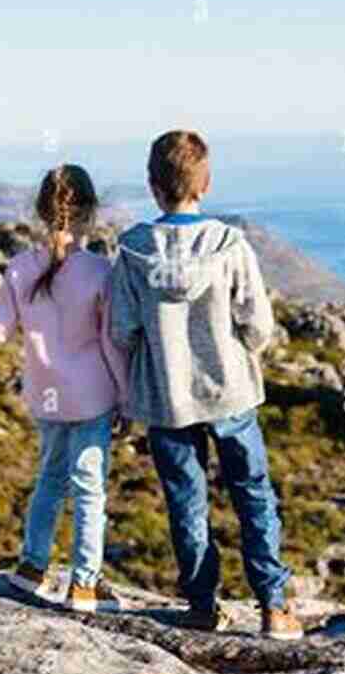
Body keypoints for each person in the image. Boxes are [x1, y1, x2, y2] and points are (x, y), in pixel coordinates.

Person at [107, 130, 302, 639]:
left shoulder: (131, 250)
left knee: (185, 498)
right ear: (206, 184)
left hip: (167, 399)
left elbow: (122, 331)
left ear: (153, 186)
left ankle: (200, 603)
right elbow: (258, 324)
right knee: (253, 491)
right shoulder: (229, 244)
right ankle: (274, 606)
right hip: (231, 392)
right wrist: (240, 349)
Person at [0, 164, 129, 613]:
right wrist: (126, 396)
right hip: (92, 396)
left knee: (49, 479)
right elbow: (111, 341)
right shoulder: (99, 271)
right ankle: (84, 584)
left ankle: (31, 567)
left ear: (40, 212)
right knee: (89, 489)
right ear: (89, 213)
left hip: (45, 396)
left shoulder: (20, 267)